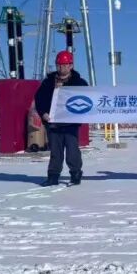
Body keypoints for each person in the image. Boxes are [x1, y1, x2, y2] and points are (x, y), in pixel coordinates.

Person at [34, 50, 89, 186]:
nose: (61, 68)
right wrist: (43, 113)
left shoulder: (79, 83)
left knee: (72, 151)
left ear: (71, 66)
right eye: (59, 65)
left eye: (64, 65)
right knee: (55, 152)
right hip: (53, 124)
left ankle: (75, 173)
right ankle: (53, 176)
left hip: (70, 124)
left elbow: (87, 99)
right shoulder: (48, 83)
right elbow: (39, 99)